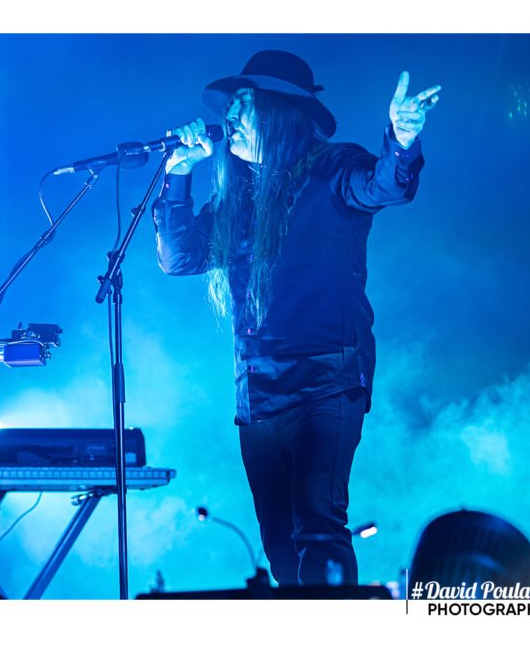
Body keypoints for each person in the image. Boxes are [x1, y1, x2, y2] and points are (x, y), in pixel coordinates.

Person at [153, 50, 440, 586]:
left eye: (242, 105)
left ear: (280, 111)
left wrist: (401, 140)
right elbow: (179, 258)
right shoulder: (237, 198)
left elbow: (385, 185)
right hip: (256, 391)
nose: (229, 118)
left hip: (324, 379)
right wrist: (178, 175)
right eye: (229, 107)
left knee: (318, 526)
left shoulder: (332, 168)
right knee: (279, 544)